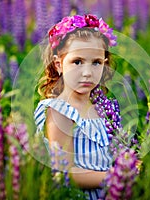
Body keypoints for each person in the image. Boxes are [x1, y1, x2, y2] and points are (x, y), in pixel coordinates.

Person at [34, 14, 121, 200]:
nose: (87, 72)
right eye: (77, 62)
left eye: (96, 62)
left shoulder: (101, 107)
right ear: (59, 64)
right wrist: (115, 176)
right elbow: (65, 171)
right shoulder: (59, 110)